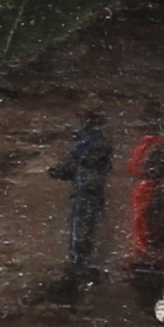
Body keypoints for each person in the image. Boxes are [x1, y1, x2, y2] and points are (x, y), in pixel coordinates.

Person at [47, 109, 112, 291]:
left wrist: (62, 170)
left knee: (81, 228)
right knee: (83, 228)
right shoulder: (93, 140)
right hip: (88, 189)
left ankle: (79, 266)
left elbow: (80, 164)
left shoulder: (91, 141)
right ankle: (80, 263)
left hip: (86, 190)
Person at [124, 102, 164, 319]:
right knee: (142, 222)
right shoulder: (150, 144)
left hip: (149, 188)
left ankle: (148, 255)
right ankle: (145, 253)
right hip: (144, 188)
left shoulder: (156, 145)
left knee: (148, 222)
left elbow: (150, 168)